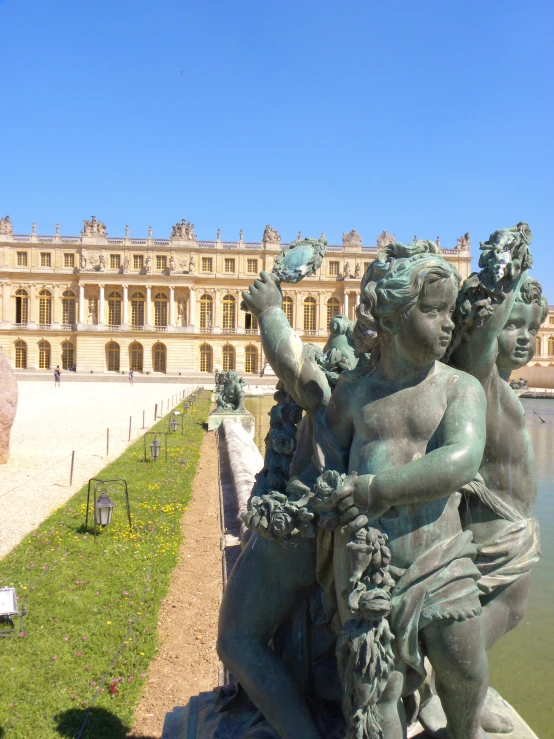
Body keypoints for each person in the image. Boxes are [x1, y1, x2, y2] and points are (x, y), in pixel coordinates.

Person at [317, 241, 489, 739]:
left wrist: (376, 489)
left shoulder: (459, 388)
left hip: (441, 558)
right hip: (369, 570)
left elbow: (461, 459)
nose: (448, 323)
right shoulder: (354, 395)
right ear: (391, 318)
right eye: (432, 311)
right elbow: (321, 464)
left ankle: (467, 732)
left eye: (449, 311)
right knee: (377, 690)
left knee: (466, 666)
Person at [419, 223, 545, 736]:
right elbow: (486, 332)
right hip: (495, 528)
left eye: (532, 329)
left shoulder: (505, 389)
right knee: (498, 613)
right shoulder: (480, 381)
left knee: (506, 614)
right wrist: (510, 275)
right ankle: (459, 701)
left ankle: (463, 688)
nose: (525, 338)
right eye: (514, 326)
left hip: (511, 525)